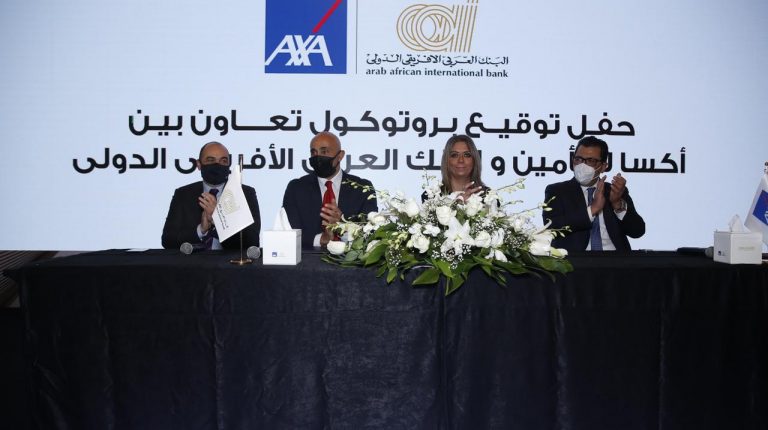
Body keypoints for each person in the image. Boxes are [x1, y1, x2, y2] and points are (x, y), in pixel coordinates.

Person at [543, 136, 645, 252]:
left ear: (603, 167)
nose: (582, 165)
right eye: (578, 159)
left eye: (591, 161)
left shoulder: (614, 191)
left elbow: (637, 231)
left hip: (615, 259)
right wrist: (592, 209)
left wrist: (618, 205)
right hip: (575, 260)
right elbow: (551, 228)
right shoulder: (557, 191)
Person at [282, 131, 378, 249]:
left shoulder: (362, 188)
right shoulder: (296, 188)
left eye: (324, 152)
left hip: (349, 260)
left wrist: (343, 227)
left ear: (340, 155)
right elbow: (289, 232)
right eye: (314, 152)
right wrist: (322, 239)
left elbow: (371, 232)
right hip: (307, 259)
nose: (318, 157)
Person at [162, 141, 261, 250]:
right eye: (210, 160)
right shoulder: (183, 194)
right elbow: (168, 240)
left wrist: (218, 219)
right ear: (199, 165)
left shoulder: (245, 193)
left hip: (230, 261)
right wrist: (201, 230)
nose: (217, 165)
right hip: (193, 260)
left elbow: (252, 242)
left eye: (223, 161)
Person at [423, 134, 487, 202]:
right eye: (454, 155)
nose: (461, 160)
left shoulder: (488, 196)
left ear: (474, 160)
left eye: (467, 155)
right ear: (447, 161)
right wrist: (459, 202)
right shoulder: (431, 196)